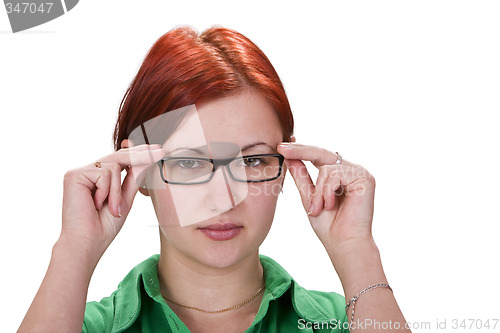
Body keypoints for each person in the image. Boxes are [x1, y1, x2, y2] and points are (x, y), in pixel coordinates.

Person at [18, 26, 410, 332]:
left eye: (254, 160)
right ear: (137, 169)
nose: (224, 198)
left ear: (292, 164)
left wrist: (357, 250)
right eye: (189, 164)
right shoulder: (83, 327)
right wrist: (74, 248)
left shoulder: (349, 323)